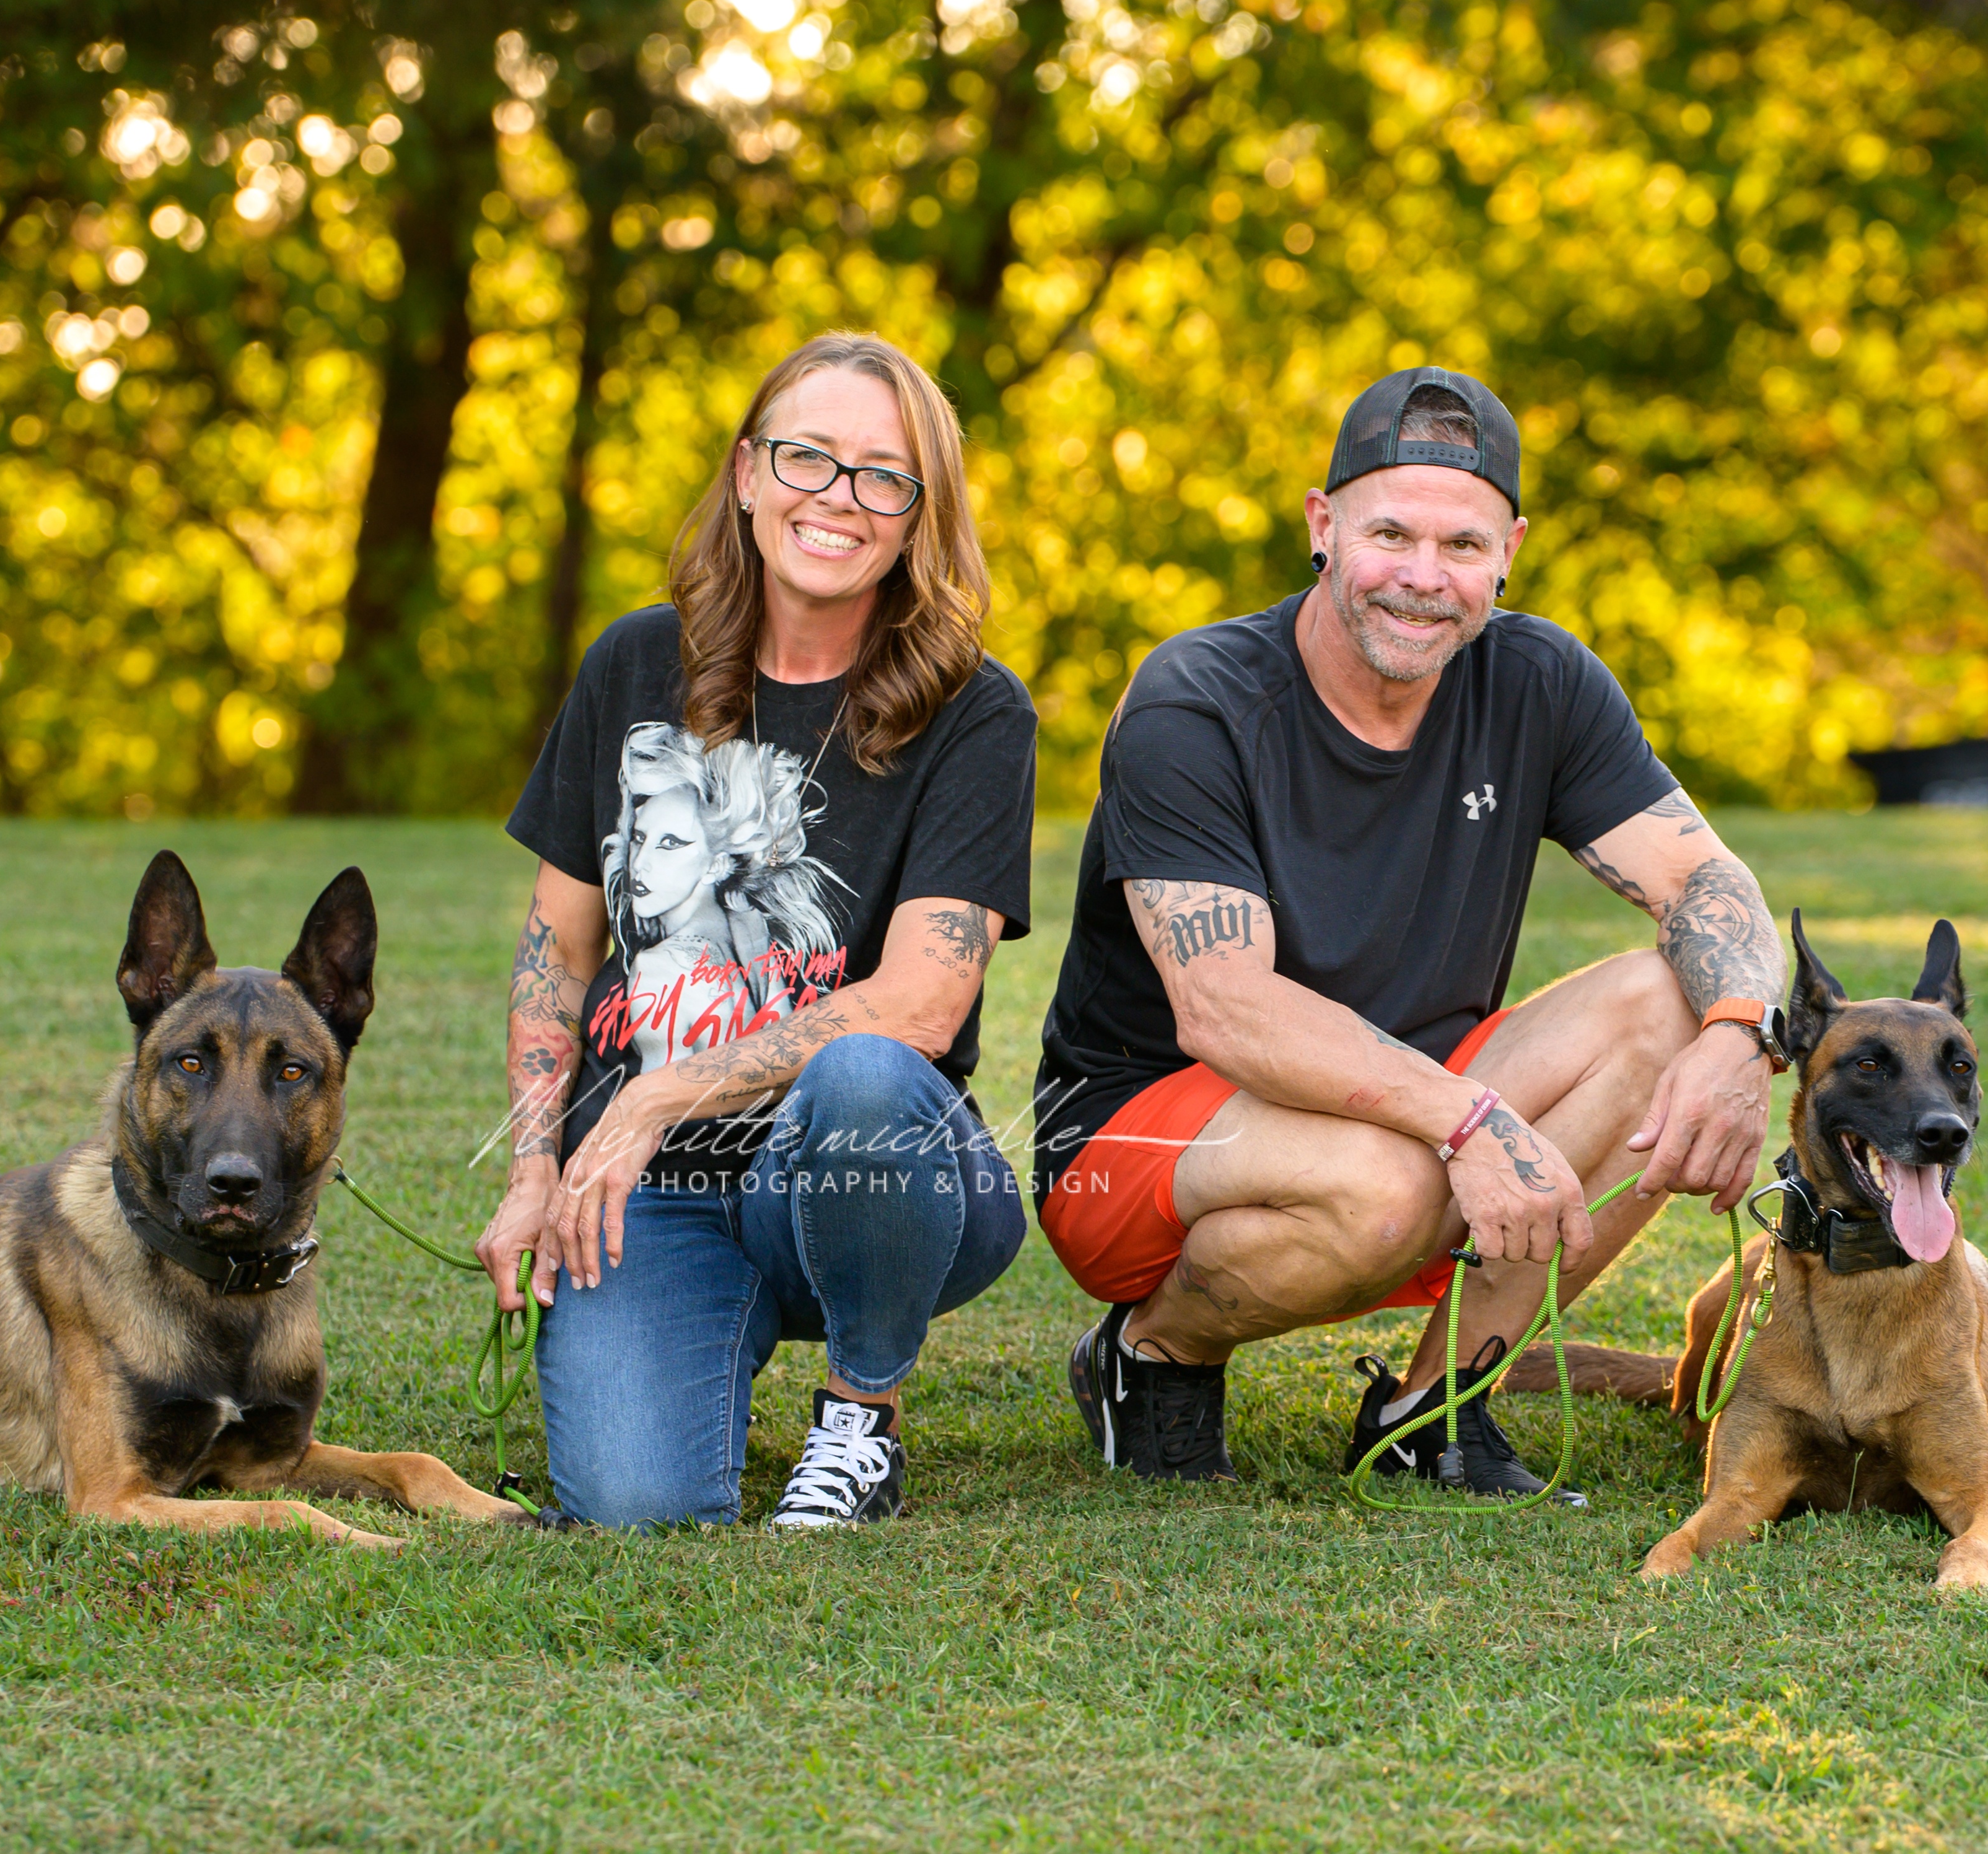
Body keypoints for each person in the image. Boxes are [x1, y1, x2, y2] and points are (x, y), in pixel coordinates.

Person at [1031, 367, 1789, 1497]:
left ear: (1510, 552)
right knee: (1387, 1182)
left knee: (1676, 1003)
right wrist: (1469, 1122)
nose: (1424, 580)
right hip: (1136, 1140)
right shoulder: (1196, 698)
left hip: (1411, 1099)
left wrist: (1739, 1039)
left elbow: (1700, 878)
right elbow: (1225, 1006)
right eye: (1390, 533)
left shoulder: (1539, 681)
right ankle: (1154, 1357)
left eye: (1463, 546)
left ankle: (1426, 1413)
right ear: (1322, 526)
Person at [481, 333, 1037, 1529]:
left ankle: (858, 1411)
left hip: (860, 1167)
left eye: (882, 476)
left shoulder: (974, 711)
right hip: (653, 1194)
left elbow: (921, 1005)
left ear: (915, 515)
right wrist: (536, 1164)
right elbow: (559, 952)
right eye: (807, 458)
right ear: (745, 473)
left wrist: (648, 1095)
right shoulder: (634, 663)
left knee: (868, 1077)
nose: (837, 500)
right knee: (635, 1505)